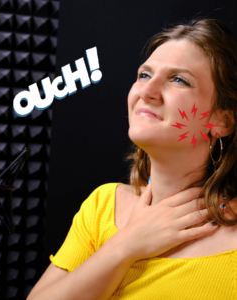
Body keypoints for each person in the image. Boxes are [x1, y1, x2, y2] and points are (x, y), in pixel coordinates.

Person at [27, 17, 237, 300]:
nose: (147, 92)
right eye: (144, 75)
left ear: (221, 120)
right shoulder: (102, 206)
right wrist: (128, 244)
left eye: (179, 79)